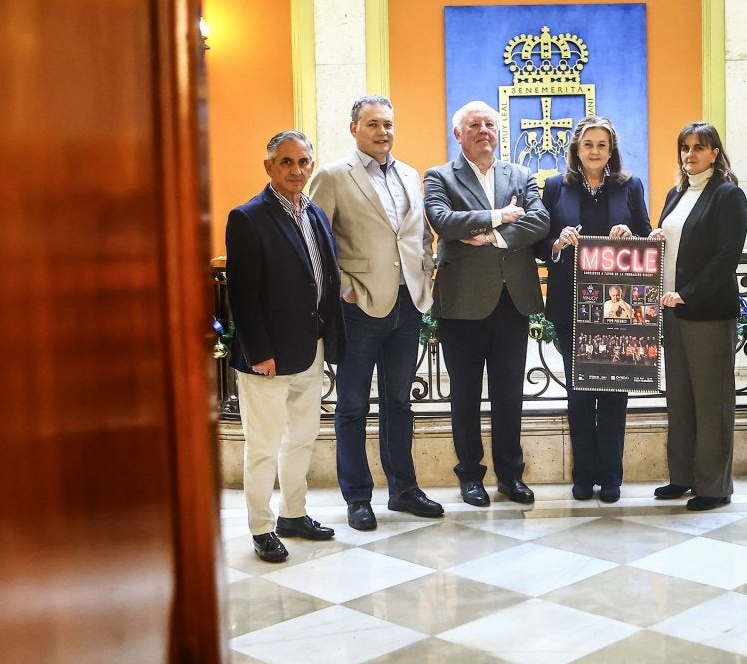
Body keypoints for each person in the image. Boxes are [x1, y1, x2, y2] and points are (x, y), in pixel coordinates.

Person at [309, 95, 444, 532]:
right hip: (360, 306)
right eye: (372, 124)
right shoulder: (332, 176)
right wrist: (344, 290)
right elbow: (318, 242)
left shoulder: (408, 173)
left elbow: (419, 235)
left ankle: (403, 490)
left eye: (387, 123)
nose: (382, 131)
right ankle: (357, 496)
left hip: (407, 304)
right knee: (351, 406)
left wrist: (425, 270)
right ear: (354, 129)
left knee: (399, 402)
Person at [226, 130, 347, 562]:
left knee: (302, 437)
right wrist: (259, 352)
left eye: (303, 163)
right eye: (286, 162)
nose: (297, 171)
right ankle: (261, 527)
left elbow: (321, 277)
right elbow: (242, 293)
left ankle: (293, 514)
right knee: (262, 445)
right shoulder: (248, 217)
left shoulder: (312, 212)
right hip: (268, 357)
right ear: (269, 167)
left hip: (309, 348)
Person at [424, 101, 550, 506]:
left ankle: (511, 475)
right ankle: (470, 476)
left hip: (512, 300)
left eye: (490, 124)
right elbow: (443, 221)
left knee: (509, 393)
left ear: (499, 132)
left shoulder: (522, 174)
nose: (484, 130)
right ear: (458, 134)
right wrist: (500, 215)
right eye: (474, 125)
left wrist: (492, 234)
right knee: (464, 394)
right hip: (461, 303)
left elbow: (540, 220)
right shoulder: (439, 176)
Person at [538, 116, 651, 501]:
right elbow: (540, 243)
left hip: (617, 308)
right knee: (580, 391)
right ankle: (583, 475)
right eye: (588, 144)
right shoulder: (555, 187)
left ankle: (612, 477)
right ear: (576, 148)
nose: (595, 151)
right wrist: (558, 243)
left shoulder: (630, 185)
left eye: (602, 145)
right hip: (571, 304)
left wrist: (631, 237)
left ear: (611, 150)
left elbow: (647, 236)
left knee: (615, 392)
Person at [649, 122, 747, 511]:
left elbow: (726, 258)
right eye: (685, 147)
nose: (690, 154)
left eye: (699, 147)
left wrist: (686, 294)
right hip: (671, 311)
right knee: (680, 399)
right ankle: (683, 477)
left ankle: (714, 486)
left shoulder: (727, 196)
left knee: (712, 402)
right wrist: (656, 237)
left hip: (706, 312)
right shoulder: (677, 194)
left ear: (715, 152)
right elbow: (676, 243)